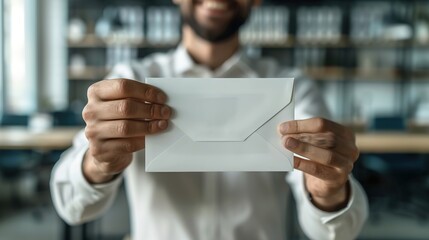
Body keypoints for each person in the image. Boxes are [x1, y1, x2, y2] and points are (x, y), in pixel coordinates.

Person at [51, 0, 368, 239]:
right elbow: (73, 206)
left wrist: (328, 194)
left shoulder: (293, 88)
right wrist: (97, 164)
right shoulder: (131, 81)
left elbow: (337, 232)